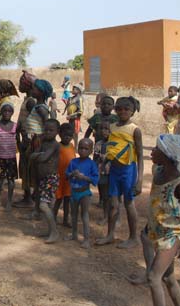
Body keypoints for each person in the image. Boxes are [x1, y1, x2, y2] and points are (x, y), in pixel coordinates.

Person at [136, 134, 180, 306]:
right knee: (168, 278)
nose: (152, 152)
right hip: (157, 231)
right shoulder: (158, 172)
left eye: (156, 150)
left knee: (154, 278)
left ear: (168, 155)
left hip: (171, 235)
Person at [96, 96, 143, 248]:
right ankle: (110, 235)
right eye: (120, 109)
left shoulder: (135, 130)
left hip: (128, 170)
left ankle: (133, 237)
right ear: (115, 110)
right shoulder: (113, 127)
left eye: (126, 109)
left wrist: (140, 179)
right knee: (113, 204)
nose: (123, 112)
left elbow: (141, 156)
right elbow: (113, 148)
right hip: (114, 171)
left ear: (132, 111)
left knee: (129, 203)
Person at [29, 119, 61, 244]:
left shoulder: (55, 145)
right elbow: (32, 156)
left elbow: (42, 158)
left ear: (57, 132)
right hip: (43, 178)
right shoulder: (43, 143)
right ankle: (51, 231)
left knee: (43, 205)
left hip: (51, 178)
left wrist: (38, 155)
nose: (47, 132)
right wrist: (38, 155)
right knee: (46, 205)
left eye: (51, 130)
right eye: (45, 129)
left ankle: (54, 232)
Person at [65, 138, 99, 248]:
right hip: (73, 191)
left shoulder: (92, 164)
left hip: (84, 192)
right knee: (73, 214)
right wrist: (72, 174)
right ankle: (74, 234)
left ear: (91, 151)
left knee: (84, 215)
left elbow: (95, 179)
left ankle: (86, 239)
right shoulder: (73, 162)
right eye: (81, 148)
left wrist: (83, 177)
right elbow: (66, 175)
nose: (83, 150)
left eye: (86, 149)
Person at [27, 79, 53, 217]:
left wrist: (40, 140)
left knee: (38, 176)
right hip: (34, 142)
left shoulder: (41, 108)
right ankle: (37, 208)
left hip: (38, 143)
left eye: (35, 88)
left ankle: (38, 209)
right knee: (35, 176)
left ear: (41, 92)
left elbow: (47, 126)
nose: (32, 90)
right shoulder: (37, 106)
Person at [13, 71, 37, 208]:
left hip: (28, 141)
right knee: (25, 168)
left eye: (22, 83)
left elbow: (33, 123)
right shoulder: (27, 100)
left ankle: (29, 198)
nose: (19, 85)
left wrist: (25, 141)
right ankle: (29, 196)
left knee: (28, 169)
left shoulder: (31, 102)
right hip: (25, 140)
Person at [0, 103, 18, 210]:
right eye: (4, 111)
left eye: (9, 111)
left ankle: (9, 201)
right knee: (0, 180)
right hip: (0, 158)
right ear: (1, 112)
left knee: (11, 181)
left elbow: (18, 141)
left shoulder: (15, 126)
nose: (6, 113)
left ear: (12, 113)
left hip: (11, 159)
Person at [53, 123, 75, 227]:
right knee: (58, 199)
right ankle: (53, 218)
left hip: (69, 178)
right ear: (60, 134)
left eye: (70, 135)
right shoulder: (57, 146)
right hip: (59, 177)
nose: (67, 137)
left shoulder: (71, 146)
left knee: (67, 199)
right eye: (65, 135)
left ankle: (65, 220)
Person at [94, 123, 113, 224]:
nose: (104, 131)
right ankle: (106, 215)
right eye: (102, 128)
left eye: (107, 129)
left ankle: (111, 216)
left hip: (111, 173)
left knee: (111, 197)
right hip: (100, 172)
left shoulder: (114, 144)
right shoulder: (98, 144)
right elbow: (95, 159)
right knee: (104, 195)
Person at [65, 84, 84, 148]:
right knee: (70, 133)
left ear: (78, 91)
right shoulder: (71, 98)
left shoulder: (79, 99)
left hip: (75, 120)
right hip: (70, 119)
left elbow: (80, 111)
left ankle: (76, 147)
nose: (72, 90)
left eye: (74, 89)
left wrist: (71, 115)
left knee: (75, 134)